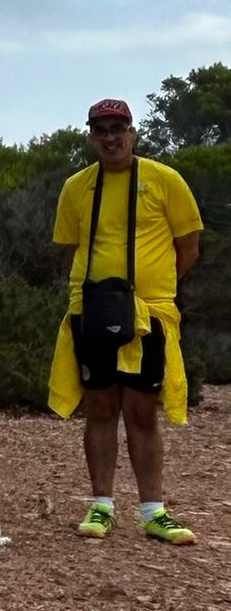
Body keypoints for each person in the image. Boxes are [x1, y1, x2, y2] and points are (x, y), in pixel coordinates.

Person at [49, 99, 203, 545]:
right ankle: (101, 506)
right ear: (91, 136)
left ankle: (153, 511)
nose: (111, 138)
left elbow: (188, 247)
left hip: (147, 313)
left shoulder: (164, 180)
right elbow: (68, 249)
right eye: (101, 130)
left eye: (119, 128)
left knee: (141, 411)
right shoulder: (76, 186)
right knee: (99, 407)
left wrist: (152, 290)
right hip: (92, 311)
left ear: (133, 132)